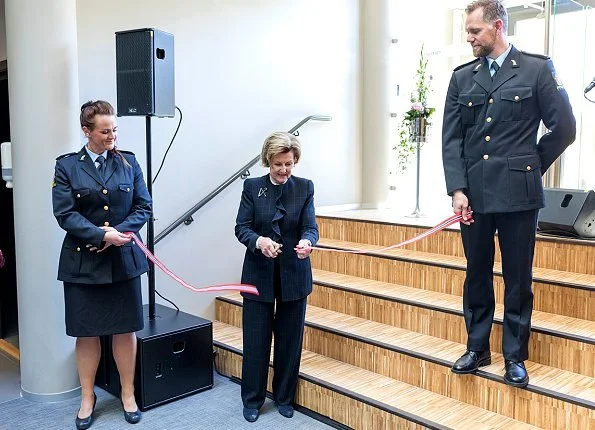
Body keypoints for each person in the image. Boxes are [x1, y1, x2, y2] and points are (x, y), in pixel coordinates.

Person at [442, 0, 576, 388]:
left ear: (497, 27)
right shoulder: (462, 77)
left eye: (474, 31)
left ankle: (515, 355)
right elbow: (452, 140)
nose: (469, 38)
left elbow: (564, 128)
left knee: (518, 277)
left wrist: (529, 166)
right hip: (474, 197)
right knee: (477, 273)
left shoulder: (536, 69)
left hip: (519, 195)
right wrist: (457, 188)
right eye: (468, 31)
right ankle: (477, 346)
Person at [52, 100, 152, 428]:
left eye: (115, 130)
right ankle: (87, 397)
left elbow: (143, 206)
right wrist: (99, 235)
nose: (112, 136)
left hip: (123, 260)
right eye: (105, 131)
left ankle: (127, 394)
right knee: (87, 333)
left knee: (125, 330)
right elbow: (65, 214)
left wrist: (118, 233)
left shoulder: (129, 162)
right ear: (87, 131)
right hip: (83, 264)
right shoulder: (67, 166)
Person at [235, 132, 318, 422]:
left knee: (289, 342)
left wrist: (308, 243)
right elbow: (241, 228)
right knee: (256, 342)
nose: (284, 170)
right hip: (258, 276)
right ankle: (252, 401)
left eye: (289, 164)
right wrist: (259, 241)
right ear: (268, 160)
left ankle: (284, 398)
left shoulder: (305, 188)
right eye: (279, 164)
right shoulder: (252, 187)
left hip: (294, 275)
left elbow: (311, 227)